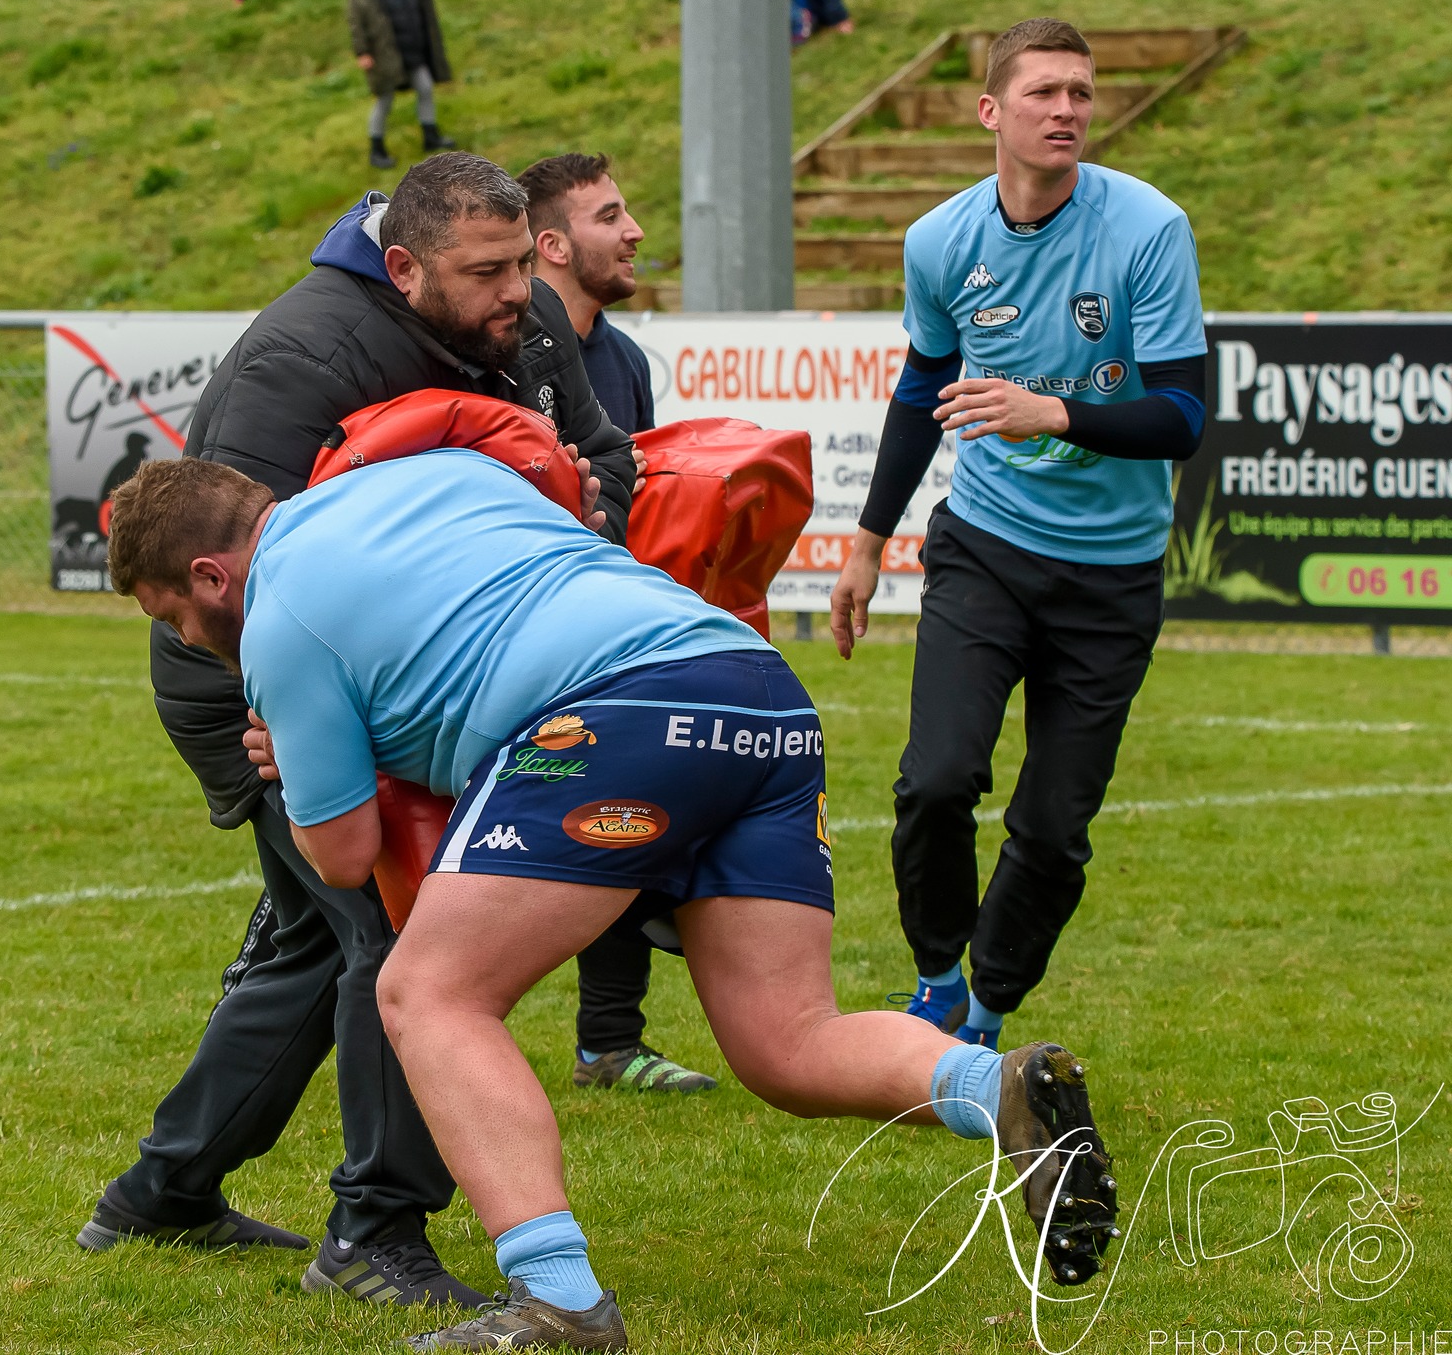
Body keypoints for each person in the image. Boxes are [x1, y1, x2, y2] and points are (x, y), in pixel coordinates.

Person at [106, 449, 1122, 1350]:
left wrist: (290, 755)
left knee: (428, 992)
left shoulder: (278, 620)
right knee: (785, 1041)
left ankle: (558, 1305)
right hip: (753, 688)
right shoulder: (419, 476)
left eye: (176, 619)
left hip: (616, 710)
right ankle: (999, 1088)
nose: (193, 640)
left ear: (208, 574)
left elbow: (342, 854)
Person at [75, 152, 638, 1308]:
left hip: (392, 683)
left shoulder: (517, 326)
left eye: (516, 266)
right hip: (254, 690)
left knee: (311, 944)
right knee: (413, 941)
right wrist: (298, 722)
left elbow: (603, 466)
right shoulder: (305, 354)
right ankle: (372, 1236)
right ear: (402, 266)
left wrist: (571, 504)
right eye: (480, 273)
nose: (511, 294)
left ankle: (161, 1193)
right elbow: (223, 571)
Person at [829, 18, 1207, 1050]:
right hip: (984, 547)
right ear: (989, 111)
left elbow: (1182, 415)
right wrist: (866, 539)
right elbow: (920, 390)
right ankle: (936, 975)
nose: (1067, 110)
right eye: (1043, 92)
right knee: (935, 778)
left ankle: (988, 1011)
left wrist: (1057, 414)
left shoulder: (1146, 228)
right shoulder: (939, 240)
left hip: (1110, 575)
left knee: (1050, 827)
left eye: (1080, 93)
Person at [517, 152, 715, 1095]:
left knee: (627, 800)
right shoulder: (503, 350)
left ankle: (609, 1042)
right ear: (551, 245)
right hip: (507, 631)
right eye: (611, 215)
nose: (636, 231)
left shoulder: (626, 362)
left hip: (599, 623)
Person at [349, 0, 457, 169]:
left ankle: (430, 136)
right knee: (384, 101)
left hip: (413, 53)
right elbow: (356, 23)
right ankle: (377, 150)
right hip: (385, 56)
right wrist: (362, 51)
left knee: (425, 88)